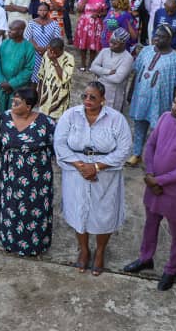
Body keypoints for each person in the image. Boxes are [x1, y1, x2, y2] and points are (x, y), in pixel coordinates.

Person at [123, 93, 176, 291]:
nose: (174, 108)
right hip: (153, 183)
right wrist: (150, 173)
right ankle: (146, 258)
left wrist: (157, 181)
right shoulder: (165, 117)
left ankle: (171, 269)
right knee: (150, 223)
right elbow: (151, 144)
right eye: (174, 103)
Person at [54, 81, 131, 275]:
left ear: (103, 100)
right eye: (85, 96)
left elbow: (124, 150)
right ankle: (85, 250)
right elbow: (60, 144)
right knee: (78, 210)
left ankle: (100, 251)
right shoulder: (70, 116)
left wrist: (96, 167)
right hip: (76, 171)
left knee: (104, 213)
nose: (87, 100)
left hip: (105, 174)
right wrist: (81, 166)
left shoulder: (116, 119)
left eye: (93, 97)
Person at [0, 85, 55, 256]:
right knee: (11, 207)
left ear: (29, 106)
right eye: (13, 101)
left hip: (37, 176)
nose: (13, 104)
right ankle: (10, 243)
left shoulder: (46, 122)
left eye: (18, 102)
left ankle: (36, 245)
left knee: (35, 208)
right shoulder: (5, 118)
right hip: (11, 174)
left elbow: (55, 147)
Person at [128, 26, 176, 166]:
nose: (157, 39)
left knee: (158, 131)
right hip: (141, 97)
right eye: (156, 35)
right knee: (139, 125)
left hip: (160, 101)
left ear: (170, 39)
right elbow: (137, 72)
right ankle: (136, 154)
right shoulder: (146, 51)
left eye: (161, 36)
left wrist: (175, 104)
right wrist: (130, 91)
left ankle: (155, 158)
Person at [89, 29, 134, 113]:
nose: (111, 45)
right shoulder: (104, 51)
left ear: (123, 44)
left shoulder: (128, 58)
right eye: (110, 42)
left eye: (115, 43)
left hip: (114, 95)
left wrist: (100, 75)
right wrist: (108, 71)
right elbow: (93, 66)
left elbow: (117, 79)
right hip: (98, 91)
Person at [73, 0, 107, 71]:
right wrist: (85, 0)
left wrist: (98, 15)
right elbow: (79, 10)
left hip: (95, 24)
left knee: (93, 46)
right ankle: (83, 64)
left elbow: (105, 12)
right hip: (84, 24)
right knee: (82, 45)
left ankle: (91, 64)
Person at [25, 0, 61, 84]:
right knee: (33, 78)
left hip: (49, 54)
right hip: (34, 54)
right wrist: (37, 48)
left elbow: (57, 39)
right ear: (37, 11)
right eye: (40, 10)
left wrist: (46, 49)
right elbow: (28, 37)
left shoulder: (54, 24)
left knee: (46, 78)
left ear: (48, 11)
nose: (42, 12)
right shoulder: (32, 23)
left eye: (45, 10)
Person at [37, 38, 74, 116]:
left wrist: (54, 61)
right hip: (45, 92)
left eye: (55, 52)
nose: (52, 53)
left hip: (60, 94)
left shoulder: (69, 58)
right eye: (50, 50)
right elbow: (41, 74)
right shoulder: (46, 54)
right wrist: (39, 92)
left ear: (62, 50)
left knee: (57, 118)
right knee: (43, 117)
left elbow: (64, 78)